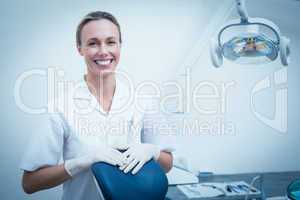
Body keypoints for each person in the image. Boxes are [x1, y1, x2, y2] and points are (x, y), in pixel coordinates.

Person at [20, 11, 174, 200]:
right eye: (93, 43)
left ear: (120, 46)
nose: (103, 51)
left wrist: (153, 151)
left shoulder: (143, 100)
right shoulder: (61, 108)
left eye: (110, 42)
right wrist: (81, 163)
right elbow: (29, 183)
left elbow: (167, 164)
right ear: (80, 48)